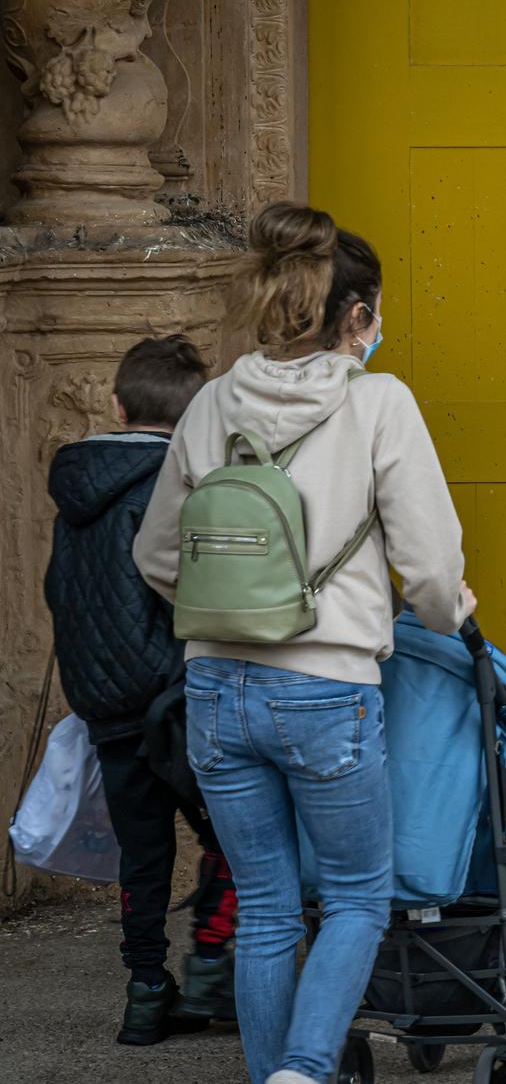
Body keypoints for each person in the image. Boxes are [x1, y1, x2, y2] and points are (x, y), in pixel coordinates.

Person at [134, 203, 475, 1084]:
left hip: (214, 685)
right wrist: (446, 616)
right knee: (360, 896)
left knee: (269, 910)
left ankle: (274, 1075)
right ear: (356, 316)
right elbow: (430, 563)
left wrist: (234, 611)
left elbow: (158, 554)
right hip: (326, 691)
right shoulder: (379, 401)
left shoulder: (212, 401)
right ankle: (304, 1069)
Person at [44, 334, 239, 1046]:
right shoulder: (183, 481)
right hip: (179, 696)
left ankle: (145, 989)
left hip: (106, 702)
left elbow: (59, 590)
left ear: (118, 403)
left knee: (143, 852)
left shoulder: (75, 491)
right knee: (234, 831)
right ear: (194, 418)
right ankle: (215, 967)